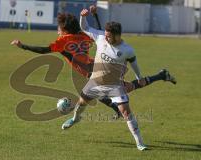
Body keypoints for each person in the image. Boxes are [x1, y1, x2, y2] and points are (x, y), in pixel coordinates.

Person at [11, 7, 176, 119]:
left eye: (59, 28)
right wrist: (95, 15)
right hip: (96, 67)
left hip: (96, 71)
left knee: (126, 88)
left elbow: (43, 50)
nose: (58, 30)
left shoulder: (62, 41)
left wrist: (22, 46)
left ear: (64, 30)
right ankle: (159, 76)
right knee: (105, 92)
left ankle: (160, 75)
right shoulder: (84, 36)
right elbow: (99, 33)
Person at [61, 8, 153, 151]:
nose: (106, 37)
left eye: (109, 36)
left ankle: (139, 143)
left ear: (117, 36)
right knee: (80, 104)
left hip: (114, 86)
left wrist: (139, 78)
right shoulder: (100, 37)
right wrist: (82, 16)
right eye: (105, 34)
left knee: (126, 112)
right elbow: (84, 27)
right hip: (95, 82)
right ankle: (75, 119)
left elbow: (134, 64)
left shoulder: (127, 50)